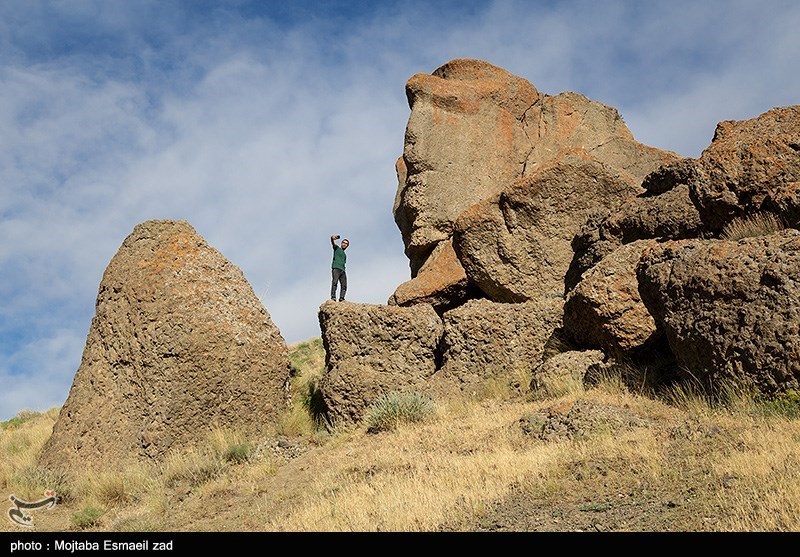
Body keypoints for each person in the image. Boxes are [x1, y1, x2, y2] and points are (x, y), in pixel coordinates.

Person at [330, 234, 349, 301]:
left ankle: (342, 298)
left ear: (347, 246)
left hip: (342, 270)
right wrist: (332, 238)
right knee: (335, 282)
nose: (344, 244)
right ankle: (333, 297)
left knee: (344, 285)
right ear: (341, 243)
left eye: (346, 244)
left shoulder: (345, 255)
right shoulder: (337, 248)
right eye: (343, 242)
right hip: (336, 268)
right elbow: (333, 243)